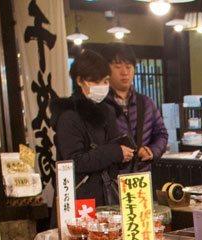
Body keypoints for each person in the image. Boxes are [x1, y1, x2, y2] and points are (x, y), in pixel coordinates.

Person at [53, 50, 132, 206]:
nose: (102, 87)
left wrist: (125, 154)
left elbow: (113, 151)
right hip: (80, 199)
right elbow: (75, 162)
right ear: (80, 81)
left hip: (107, 194)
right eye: (96, 82)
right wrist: (115, 152)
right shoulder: (68, 116)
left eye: (105, 81)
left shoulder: (107, 111)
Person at [106, 46, 170, 173]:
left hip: (142, 176)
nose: (124, 72)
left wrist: (151, 150)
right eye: (118, 67)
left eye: (129, 67)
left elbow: (161, 134)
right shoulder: (101, 104)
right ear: (106, 70)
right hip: (112, 177)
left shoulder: (146, 103)